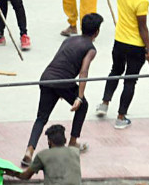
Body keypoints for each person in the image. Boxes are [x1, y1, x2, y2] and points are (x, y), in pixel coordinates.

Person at [22, 13, 101, 166]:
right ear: (96, 32)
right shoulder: (91, 48)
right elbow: (84, 71)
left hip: (47, 78)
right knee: (83, 105)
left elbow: (61, 60)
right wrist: (79, 96)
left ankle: (29, 151)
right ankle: (73, 143)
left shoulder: (70, 39)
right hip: (63, 82)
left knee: (41, 118)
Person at [97, 0, 149, 129]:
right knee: (130, 81)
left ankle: (104, 103)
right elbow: (143, 28)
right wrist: (148, 48)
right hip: (136, 46)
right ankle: (121, 116)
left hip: (119, 41)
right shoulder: (142, 1)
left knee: (115, 71)